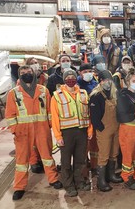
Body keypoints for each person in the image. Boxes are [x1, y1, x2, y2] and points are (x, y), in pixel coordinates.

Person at [5, 65, 62, 201]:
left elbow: (49, 111)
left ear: (34, 73)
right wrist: (15, 130)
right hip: (23, 132)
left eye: (29, 71)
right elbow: (10, 115)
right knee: (22, 160)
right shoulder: (13, 93)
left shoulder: (43, 90)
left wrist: (50, 127)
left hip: (42, 130)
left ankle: (53, 179)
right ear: (19, 75)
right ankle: (19, 187)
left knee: (47, 157)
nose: (26, 74)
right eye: (23, 72)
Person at [51, 69, 91, 197]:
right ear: (64, 79)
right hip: (66, 133)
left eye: (72, 76)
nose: (70, 79)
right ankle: (69, 185)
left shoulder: (84, 93)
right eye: (67, 77)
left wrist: (89, 130)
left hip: (82, 132)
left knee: (80, 159)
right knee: (66, 161)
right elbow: (55, 117)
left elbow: (88, 114)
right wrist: (57, 136)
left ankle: (79, 181)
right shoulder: (57, 95)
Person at [89, 70, 122, 192]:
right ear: (100, 81)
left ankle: (111, 175)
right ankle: (101, 181)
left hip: (116, 128)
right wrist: (100, 128)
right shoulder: (96, 96)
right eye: (104, 80)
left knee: (114, 153)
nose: (107, 82)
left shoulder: (114, 93)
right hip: (104, 130)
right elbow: (94, 116)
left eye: (109, 80)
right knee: (103, 155)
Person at [117, 69, 135, 190]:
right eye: (134, 81)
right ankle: (127, 177)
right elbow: (120, 115)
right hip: (128, 131)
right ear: (128, 82)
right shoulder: (123, 96)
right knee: (128, 155)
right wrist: (133, 115)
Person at [77, 63, 99, 177]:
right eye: (85, 72)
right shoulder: (76, 85)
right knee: (83, 146)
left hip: (94, 117)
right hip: (82, 119)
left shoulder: (95, 83)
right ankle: (84, 169)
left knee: (94, 145)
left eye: (90, 71)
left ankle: (95, 166)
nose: (88, 74)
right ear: (80, 73)